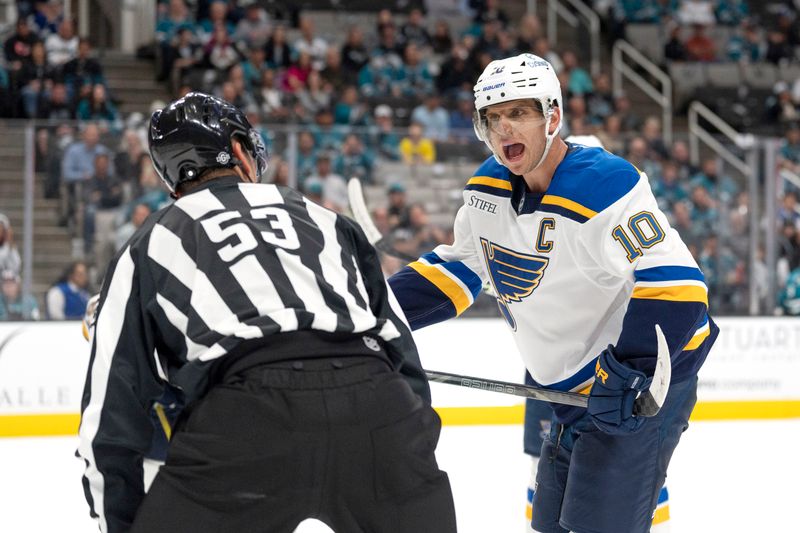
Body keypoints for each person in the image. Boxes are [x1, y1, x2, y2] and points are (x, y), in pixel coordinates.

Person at [77, 92, 456, 533]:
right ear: (240, 151)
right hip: (376, 406)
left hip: (244, 423)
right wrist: (403, 448)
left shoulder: (151, 240)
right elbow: (402, 355)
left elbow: (111, 423)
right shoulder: (327, 220)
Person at [388, 54, 718, 533]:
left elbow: (679, 289)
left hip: (643, 386)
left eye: (519, 113)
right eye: (493, 118)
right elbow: (456, 271)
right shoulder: (486, 191)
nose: (504, 128)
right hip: (566, 394)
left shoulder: (604, 185)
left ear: (553, 117)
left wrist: (629, 374)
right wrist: (367, 311)